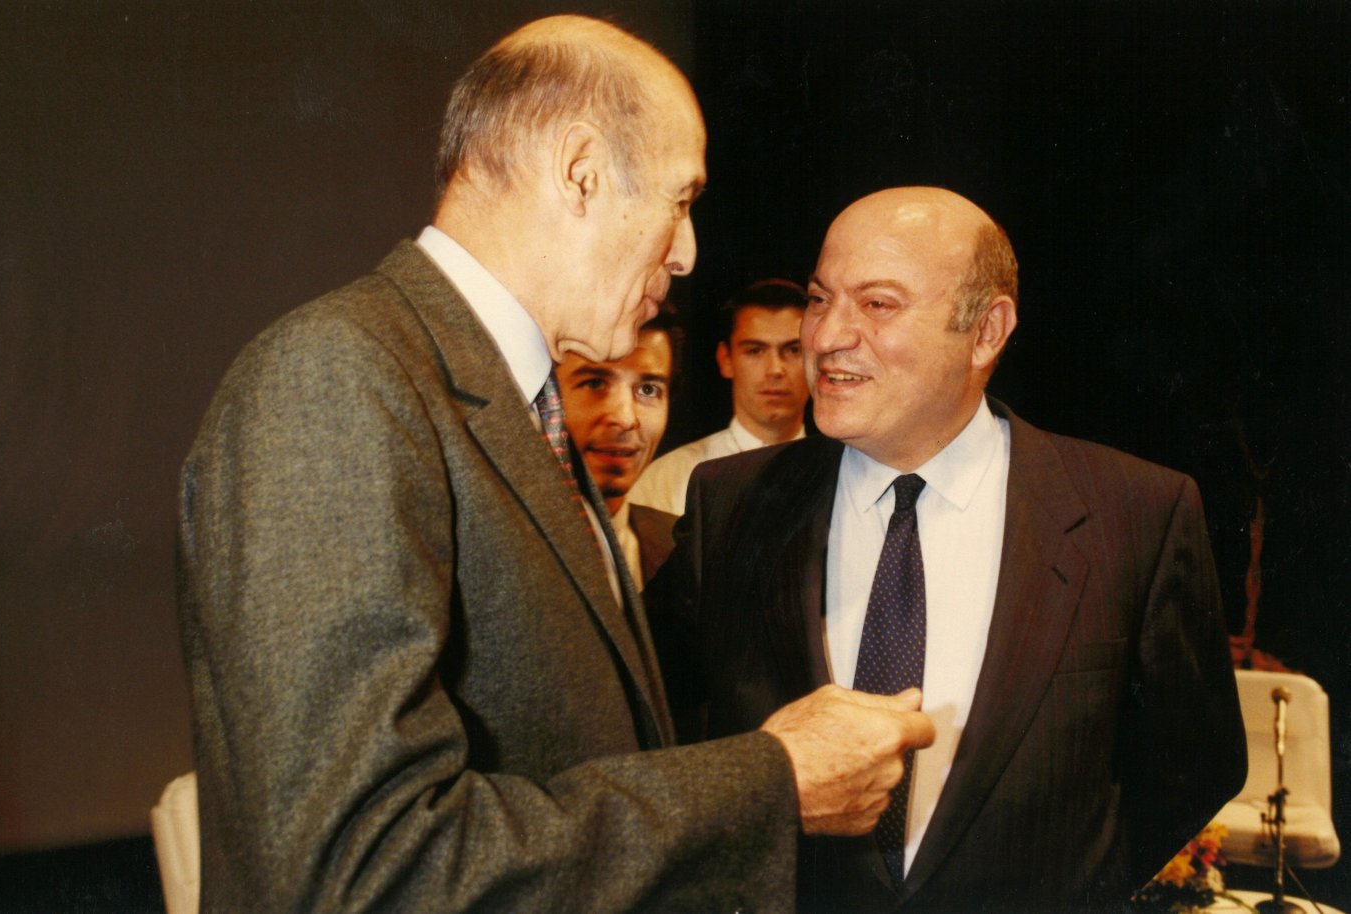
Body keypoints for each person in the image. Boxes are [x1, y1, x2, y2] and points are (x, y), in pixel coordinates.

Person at [176, 17, 933, 913]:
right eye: (680, 199)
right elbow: (361, 871)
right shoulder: (335, 377)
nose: (687, 251)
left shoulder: (513, 406)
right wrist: (773, 785)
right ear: (580, 171)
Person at [648, 186, 1247, 911]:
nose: (826, 336)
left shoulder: (1134, 514)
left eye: (877, 304)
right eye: (819, 299)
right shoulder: (731, 503)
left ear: (987, 331)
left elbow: (1197, 767)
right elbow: (644, 729)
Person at [630, 278, 808, 515]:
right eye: (754, 350)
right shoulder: (667, 480)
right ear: (726, 360)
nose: (775, 369)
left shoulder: (842, 471)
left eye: (794, 350)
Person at [556, 307, 682, 589]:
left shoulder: (685, 549)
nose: (626, 419)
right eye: (595, 383)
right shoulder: (499, 546)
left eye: (648, 390)